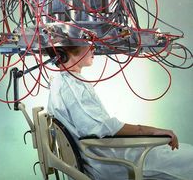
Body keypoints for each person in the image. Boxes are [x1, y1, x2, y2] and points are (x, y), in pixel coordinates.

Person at [47, 45, 193, 180]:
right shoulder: (72, 87)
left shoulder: (62, 82)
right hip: (112, 163)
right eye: (87, 42)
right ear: (65, 52)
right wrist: (153, 131)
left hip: (106, 156)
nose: (94, 47)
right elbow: (102, 127)